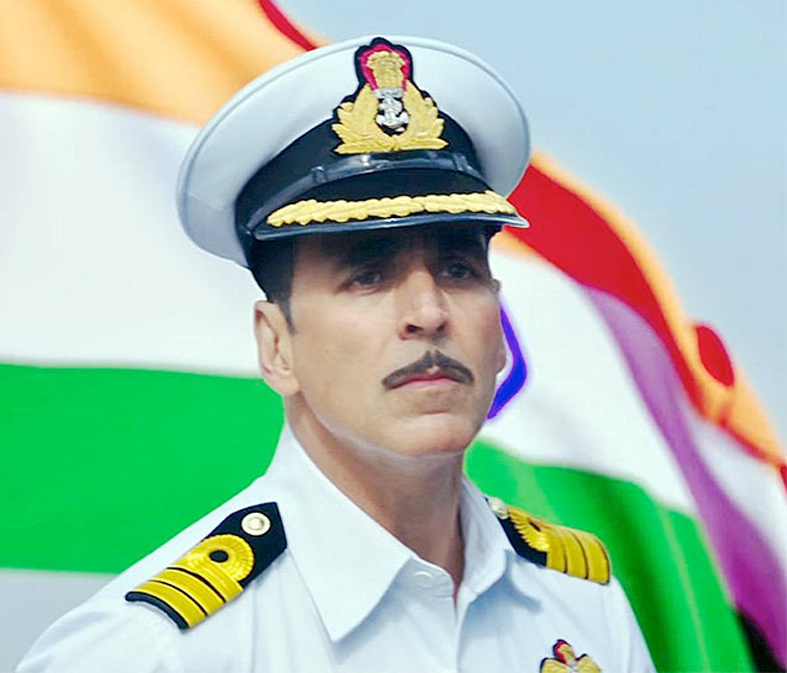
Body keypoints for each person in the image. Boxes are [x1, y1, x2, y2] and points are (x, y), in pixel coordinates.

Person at [18, 35, 655, 672]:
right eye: (367, 277)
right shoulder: (151, 651)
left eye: (458, 269)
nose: (429, 312)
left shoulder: (580, 602)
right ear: (276, 345)